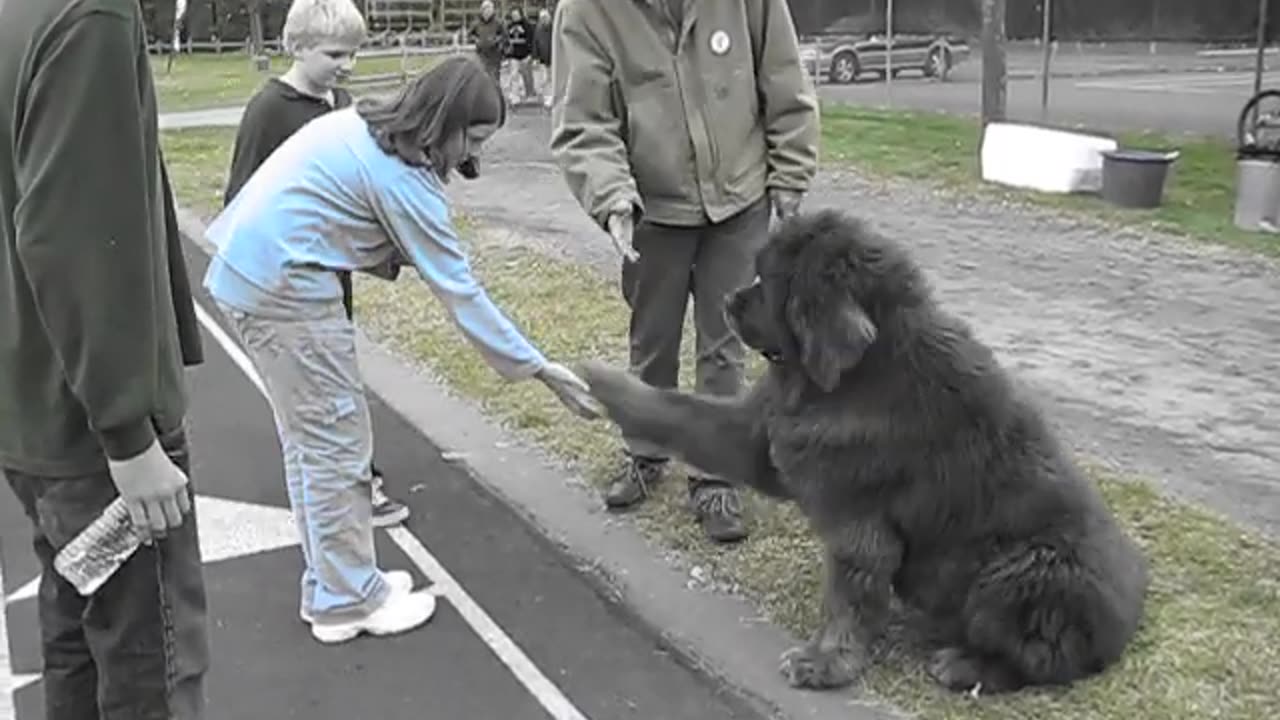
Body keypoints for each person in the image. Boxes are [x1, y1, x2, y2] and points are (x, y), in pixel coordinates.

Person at [203, 56, 600, 644]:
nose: (474, 160)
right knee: (338, 443)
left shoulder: (364, 123)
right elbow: (461, 292)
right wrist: (538, 369)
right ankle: (346, 599)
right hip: (284, 290)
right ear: (446, 121)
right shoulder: (401, 179)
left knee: (311, 445)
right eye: (475, 140)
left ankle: (334, 583)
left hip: (252, 273)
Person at [0, 0, 210, 715]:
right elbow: (75, 234)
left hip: (33, 405)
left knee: (74, 643)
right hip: (92, 427)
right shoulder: (90, 15)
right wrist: (127, 432)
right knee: (149, 670)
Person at [550, 0, 819, 543]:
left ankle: (715, 475)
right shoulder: (586, 11)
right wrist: (613, 199)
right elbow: (584, 122)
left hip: (740, 200)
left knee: (724, 342)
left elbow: (785, 79)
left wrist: (790, 173)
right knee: (654, 337)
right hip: (652, 206)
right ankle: (646, 449)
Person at [223, 0, 412, 528]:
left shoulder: (345, 104)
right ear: (297, 47)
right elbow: (240, 200)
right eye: (334, 53)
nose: (346, 65)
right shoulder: (269, 111)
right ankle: (352, 488)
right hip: (286, 282)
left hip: (333, 272)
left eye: (354, 53)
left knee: (339, 380)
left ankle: (343, 481)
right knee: (321, 394)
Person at [503, 6, 537, 102]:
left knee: (527, 76)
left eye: (516, 14)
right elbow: (506, 40)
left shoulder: (527, 25)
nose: (515, 16)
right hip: (514, 55)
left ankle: (530, 95)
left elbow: (532, 40)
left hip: (525, 55)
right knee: (514, 76)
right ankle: (515, 95)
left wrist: (531, 54)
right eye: (513, 15)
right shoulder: (509, 26)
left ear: (520, 14)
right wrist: (507, 55)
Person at [469, 0, 506, 82]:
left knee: (494, 78)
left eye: (489, 9)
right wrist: (476, 40)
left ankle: (494, 94)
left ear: (493, 10)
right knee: (481, 77)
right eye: (485, 9)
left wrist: (496, 40)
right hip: (481, 54)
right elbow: (469, 35)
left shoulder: (499, 22)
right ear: (482, 10)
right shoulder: (476, 23)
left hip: (494, 55)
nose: (487, 11)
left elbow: (504, 36)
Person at [532, 8, 554, 108]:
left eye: (545, 17)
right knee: (545, 79)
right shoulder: (538, 29)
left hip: (554, 58)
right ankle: (547, 98)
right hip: (543, 58)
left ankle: (554, 97)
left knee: (553, 78)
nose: (544, 19)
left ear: (549, 17)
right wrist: (535, 57)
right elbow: (535, 43)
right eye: (542, 18)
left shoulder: (554, 28)